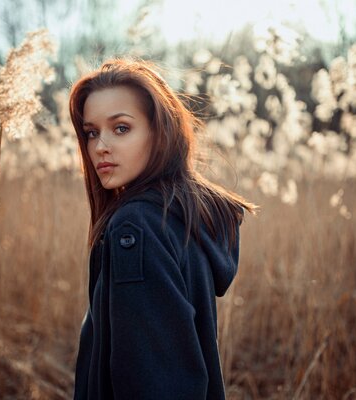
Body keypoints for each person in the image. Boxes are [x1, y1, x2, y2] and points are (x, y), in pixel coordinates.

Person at [68, 58, 257, 400]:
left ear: (160, 133)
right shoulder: (183, 214)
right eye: (91, 132)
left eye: (121, 128)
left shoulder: (136, 227)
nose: (100, 147)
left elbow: (154, 380)